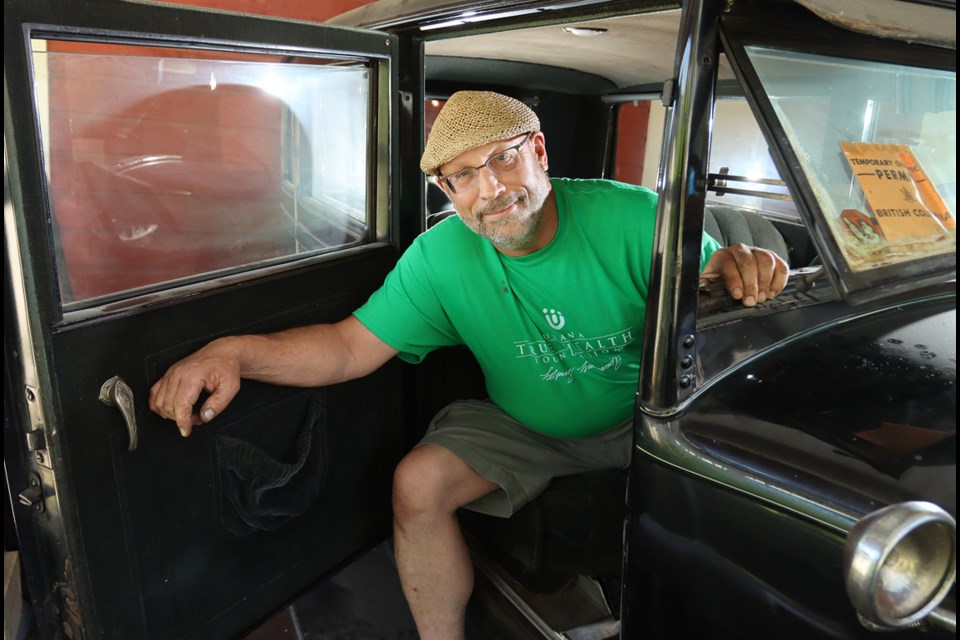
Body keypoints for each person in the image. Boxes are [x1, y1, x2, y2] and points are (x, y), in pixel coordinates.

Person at [149, 91, 788, 639]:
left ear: (538, 152)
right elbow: (347, 348)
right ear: (445, 190)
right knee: (417, 484)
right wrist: (231, 352)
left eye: (502, 158)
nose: (490, 189)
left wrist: (738, 266)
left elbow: (713, 284)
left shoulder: (634, 216)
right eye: (462, 176)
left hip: (650, 417)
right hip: (526, 427)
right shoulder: (439, 258)